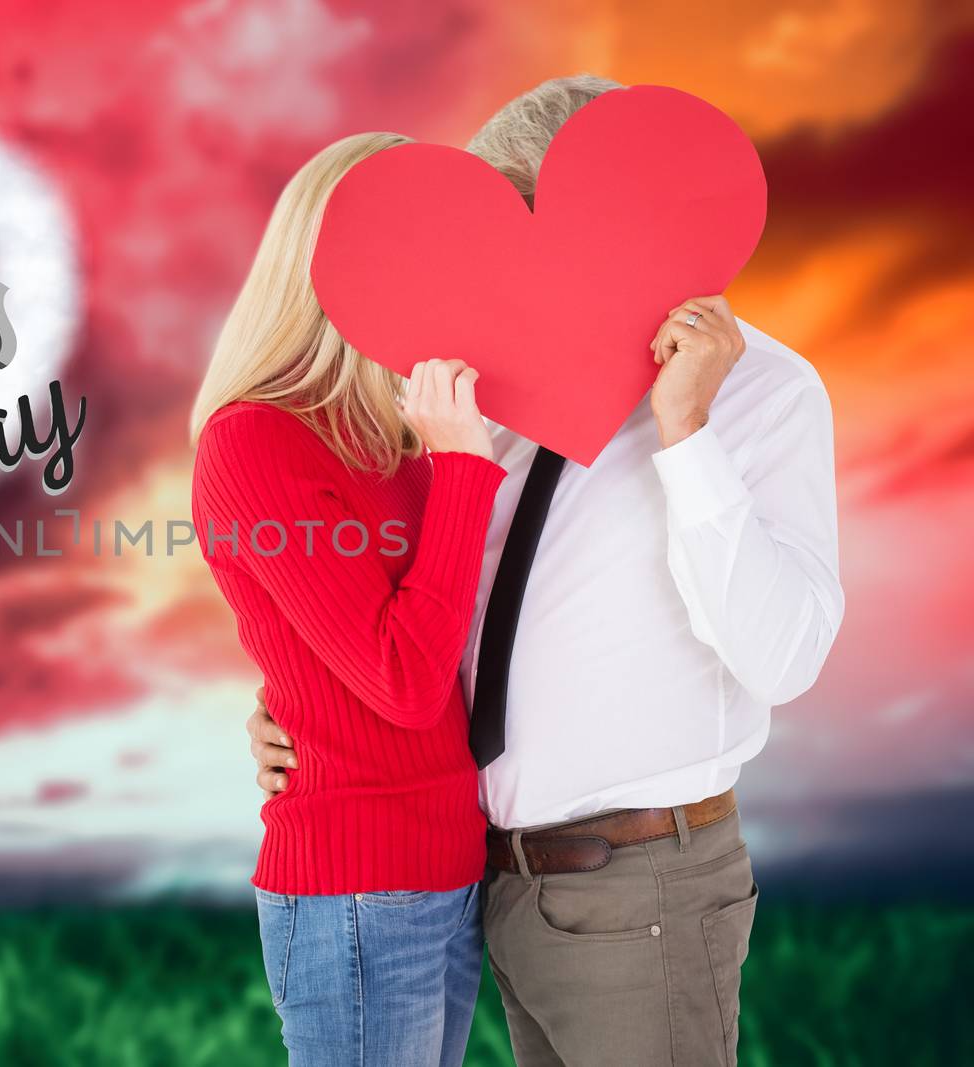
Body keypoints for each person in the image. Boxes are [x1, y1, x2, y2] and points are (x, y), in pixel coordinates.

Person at [245, 76, 843, 1066]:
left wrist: (684, 430)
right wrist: (298, 704)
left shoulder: (762, 393)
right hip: (496, 883)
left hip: (641, 882)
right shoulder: (482, 400)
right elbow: (435, 603)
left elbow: (783, 657)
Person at [189, 132, 506, 1066]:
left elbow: (415, 645)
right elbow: (406, 679)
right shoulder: (255, 442)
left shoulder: (402, 437)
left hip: (446, 869)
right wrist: (461, 467)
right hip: (359, 893)